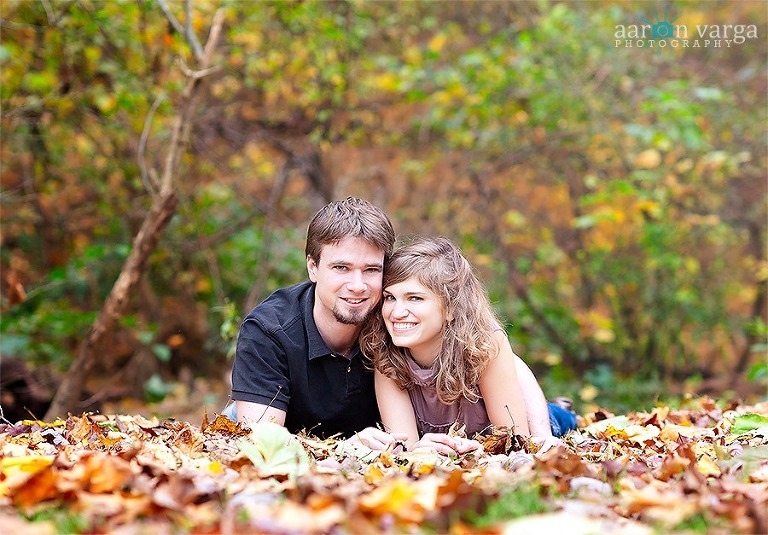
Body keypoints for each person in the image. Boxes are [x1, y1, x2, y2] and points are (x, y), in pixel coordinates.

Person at [226, 197, 561, 450]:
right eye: (341, 268)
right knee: (235, 419)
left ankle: (557, 412)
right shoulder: (271, 330)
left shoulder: (389, 311)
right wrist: (346, 449)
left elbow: (499, 356)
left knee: (546, 417)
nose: (357, 285)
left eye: (371, 270)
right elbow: (262, 442)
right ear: (313, 267)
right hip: (317, 434)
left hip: (469, 408)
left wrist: (540, 433)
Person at [359, 236, 577, 455]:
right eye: (389, 298)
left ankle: (563, 411)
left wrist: (476, 449)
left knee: (555, 421)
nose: (396, 313)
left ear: (451, 308)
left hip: (511, 419)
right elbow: (405, 446)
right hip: (455, 441)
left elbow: (514, 440)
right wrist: (421, 449)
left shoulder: (484, 346)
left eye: (415, 298)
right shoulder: (386, 354)